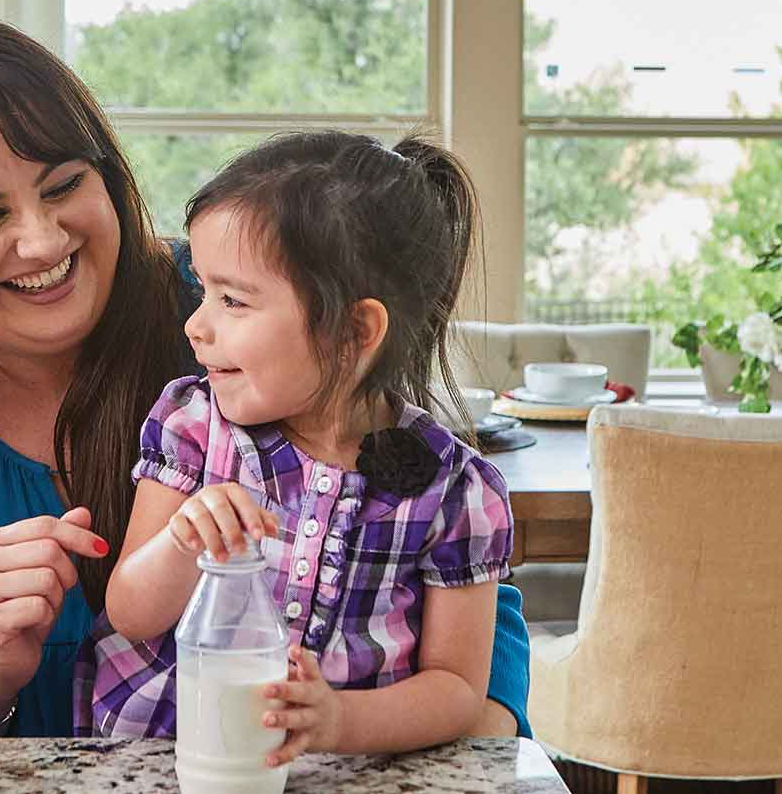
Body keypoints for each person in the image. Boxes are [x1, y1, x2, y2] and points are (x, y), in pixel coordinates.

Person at [0, 19, 530, 740]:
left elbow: (474, 638)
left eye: (64, 185)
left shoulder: (232, 319)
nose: (45, 239)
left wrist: (439, 722)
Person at [84, 131, 508, 765]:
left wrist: (340, 719)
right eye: (202, 291)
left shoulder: (454, 491)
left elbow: (456, 690)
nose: (196, 325)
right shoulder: (193, 425)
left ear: (355, 330)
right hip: (174, 758)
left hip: (347, 773)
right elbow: (129, 613)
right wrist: (180, 542)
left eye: (232, 300)